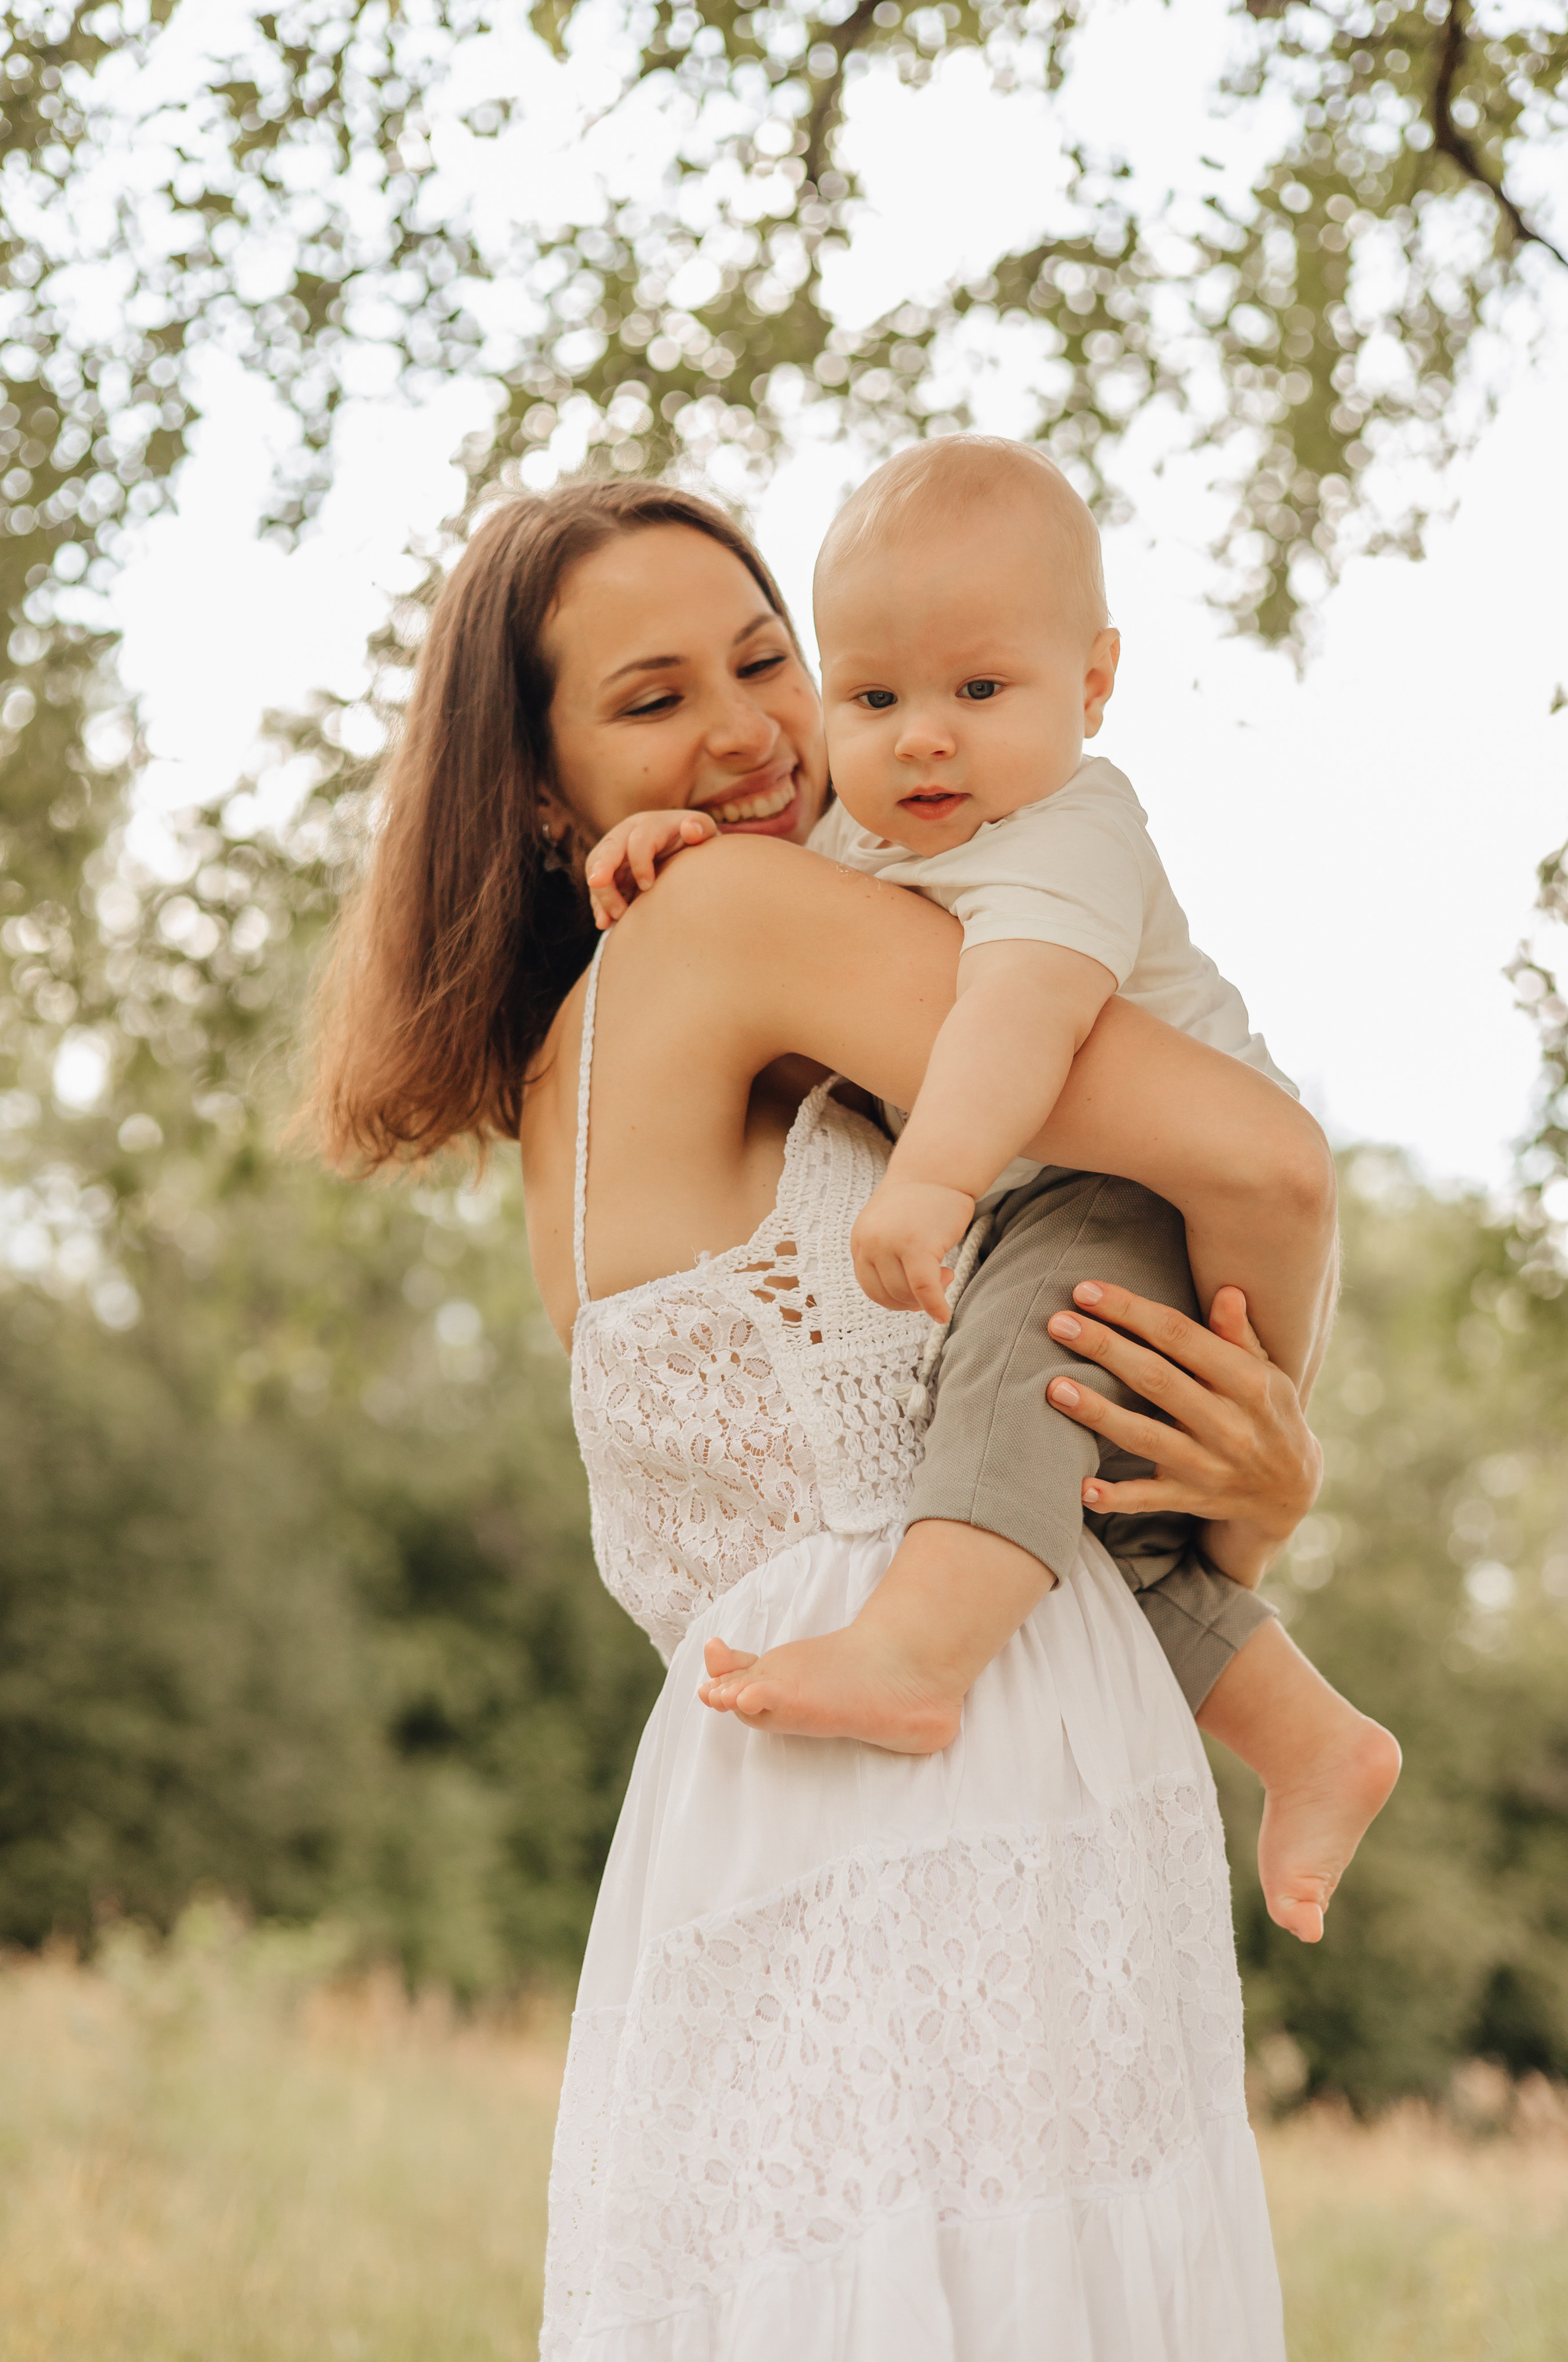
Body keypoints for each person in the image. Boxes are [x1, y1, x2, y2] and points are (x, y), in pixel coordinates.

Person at [307, 480, 1343, 2355]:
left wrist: (1249, 1487)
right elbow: (1267, 1159)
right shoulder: (735, 919)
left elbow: (1042, 1438)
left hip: (771, 1807)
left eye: (764, 659)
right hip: (962, 1780)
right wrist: (1277, 1425)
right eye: (652, 700)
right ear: (538, 789)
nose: (747, 731)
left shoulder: (600, 1053)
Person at [586, 444, 1398, 1942]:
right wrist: (674, 847)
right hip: (1069, 1193)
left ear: (1092, 685)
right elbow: (826, 890)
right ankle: (1312, 1741)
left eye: (976, 689)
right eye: (871, 696)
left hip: (1122, 1189)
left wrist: (933, 1181)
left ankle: (916, 1655)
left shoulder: (1065, 831)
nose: (920, 738)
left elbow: (1018, 1016)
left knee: (1024, 1354)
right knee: (1094, 1523)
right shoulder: (871, 838)